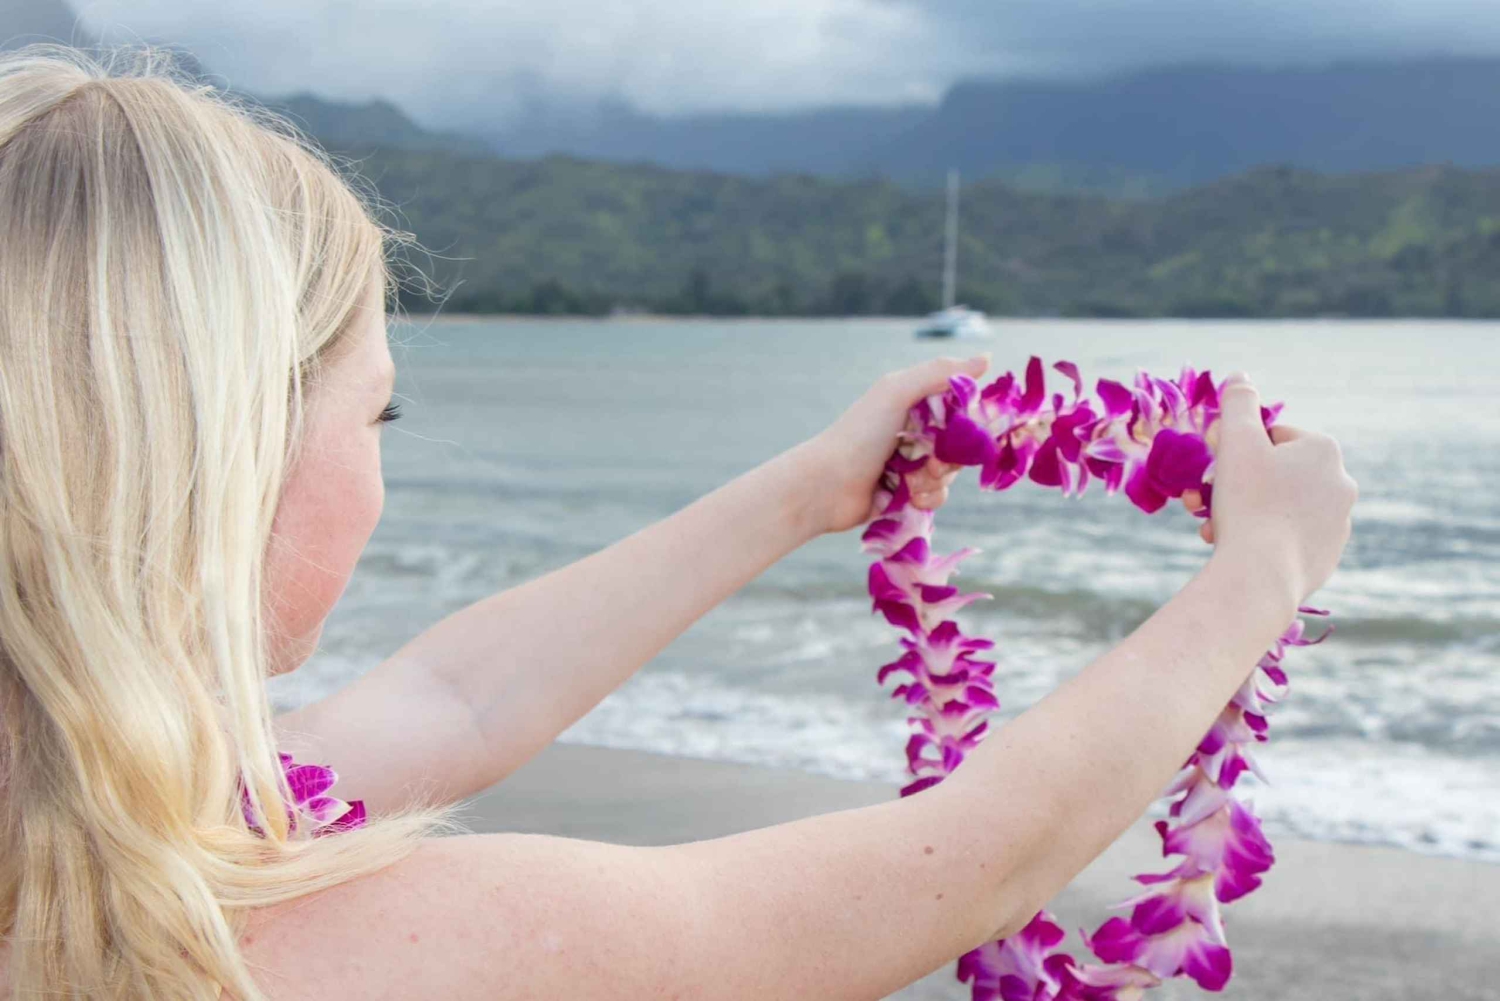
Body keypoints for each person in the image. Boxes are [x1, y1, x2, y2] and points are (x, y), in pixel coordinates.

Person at [0, 46, 1357, 1001]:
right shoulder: (349, 945)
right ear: (231, 454)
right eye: (377, 417)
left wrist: (809, 490)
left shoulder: (90, 836)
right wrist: (1264, 571)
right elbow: (961, 870)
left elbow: (457, 697)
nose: (380, 468)